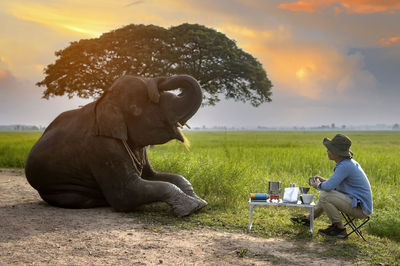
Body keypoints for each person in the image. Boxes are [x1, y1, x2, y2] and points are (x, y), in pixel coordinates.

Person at [291, 134, 373, 238]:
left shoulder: (344, 165)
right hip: (355, 203)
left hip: (360, 209)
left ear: (336, 152)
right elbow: (335, 185)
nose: (327, 151)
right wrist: (324, 181)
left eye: (329, 149)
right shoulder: (347, 163)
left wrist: (318, 185)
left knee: (324, 195)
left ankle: (339, 228)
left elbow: (328, 187)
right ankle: (308, 219)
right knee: (325, 194)